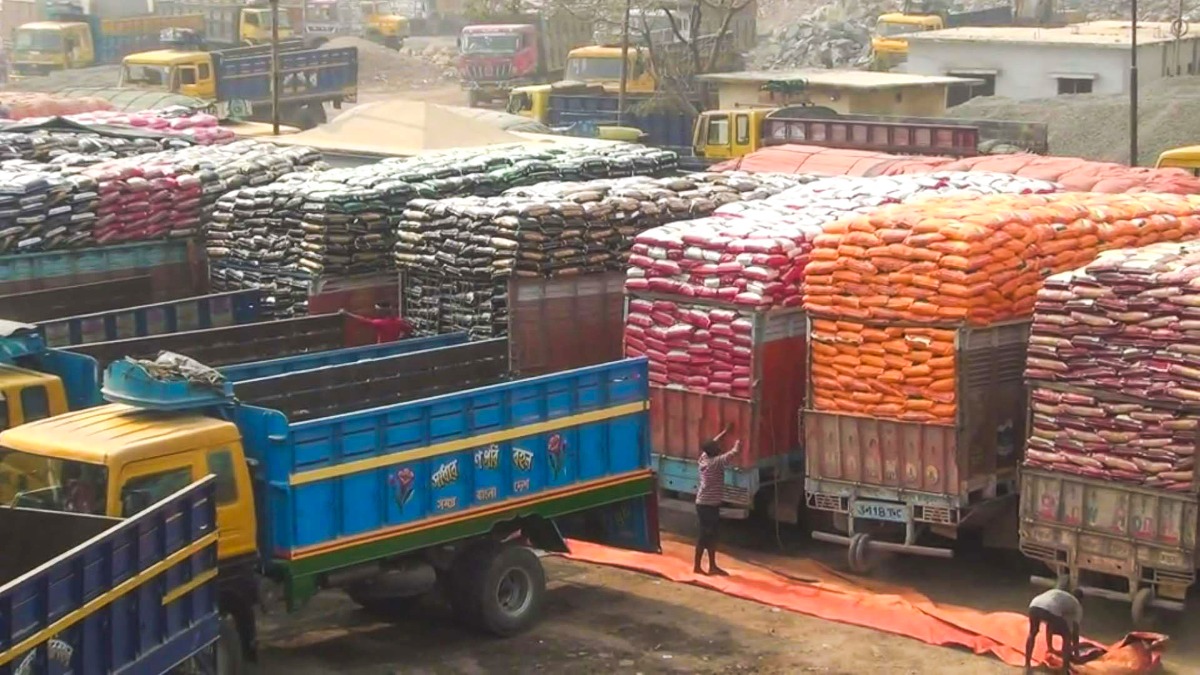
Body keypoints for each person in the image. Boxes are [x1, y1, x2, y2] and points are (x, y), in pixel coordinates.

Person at [694, 423, 740, 576]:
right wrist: (740, 439)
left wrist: (725, 432)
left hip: (704, 504)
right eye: (717, 448)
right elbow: (734, 452)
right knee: (706, 535)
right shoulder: (716, 463)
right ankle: (700, 566)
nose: (719, 447)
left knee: (709, 535)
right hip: (708, 505)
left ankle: (710, 566)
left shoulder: (704, 458)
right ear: (713, 451)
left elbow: (714, 442)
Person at [1025, 587, 1083, 674]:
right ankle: (1065, 669)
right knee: (1067, 636)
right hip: (1050, 608)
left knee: (1032, 633)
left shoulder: (1062, 595)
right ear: (1081, 600)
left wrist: (1050, 647)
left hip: (1034, 604)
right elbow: (1075, 631)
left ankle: (1027, 665)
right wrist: (1076, 653)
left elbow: (1050, 624)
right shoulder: (1077, 605)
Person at [344, 303, 412, 344]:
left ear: (382, 311)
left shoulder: (380, 323)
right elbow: (408, 329)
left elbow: (364, 320)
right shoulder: (399, 321)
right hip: (395, 346)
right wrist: (401, 337)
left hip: (382, 348)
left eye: (377, 310)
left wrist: (347, 314)